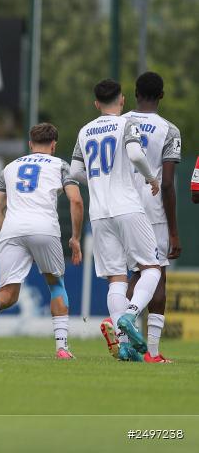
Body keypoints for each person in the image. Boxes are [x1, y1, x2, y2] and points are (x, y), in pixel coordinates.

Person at [0, 123, 84, 359]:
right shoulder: (60, 165)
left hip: (12, 229)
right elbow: (76, 201)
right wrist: (75, 238)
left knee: (8, 294)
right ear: (53, 145)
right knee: (56, 285)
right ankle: (62, 348)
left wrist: (11, 236)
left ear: (31, 144)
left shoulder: (9, 168)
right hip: (44, 228)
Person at [69, 79, 163, 362]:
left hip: (99, 213)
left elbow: (75, 171)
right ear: (121, 100)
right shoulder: (125, 124)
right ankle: (131, 316)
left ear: (96, 103)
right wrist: (150, 177)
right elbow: (135, 153)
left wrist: (98, 181)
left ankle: (124, 345)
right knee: (152, 268)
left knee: (116, 280)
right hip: (127, 207)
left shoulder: (85, 131)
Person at [118, 72, 181, 363]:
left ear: (134, 93)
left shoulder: (120, 123)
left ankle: (122, 339)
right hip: (151, 210)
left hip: (118, 206)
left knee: (129, 276)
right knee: (156, 277)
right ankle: (152, 352)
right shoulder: (168, 130)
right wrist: (174, 232)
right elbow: (166, 183)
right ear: (162, 95)